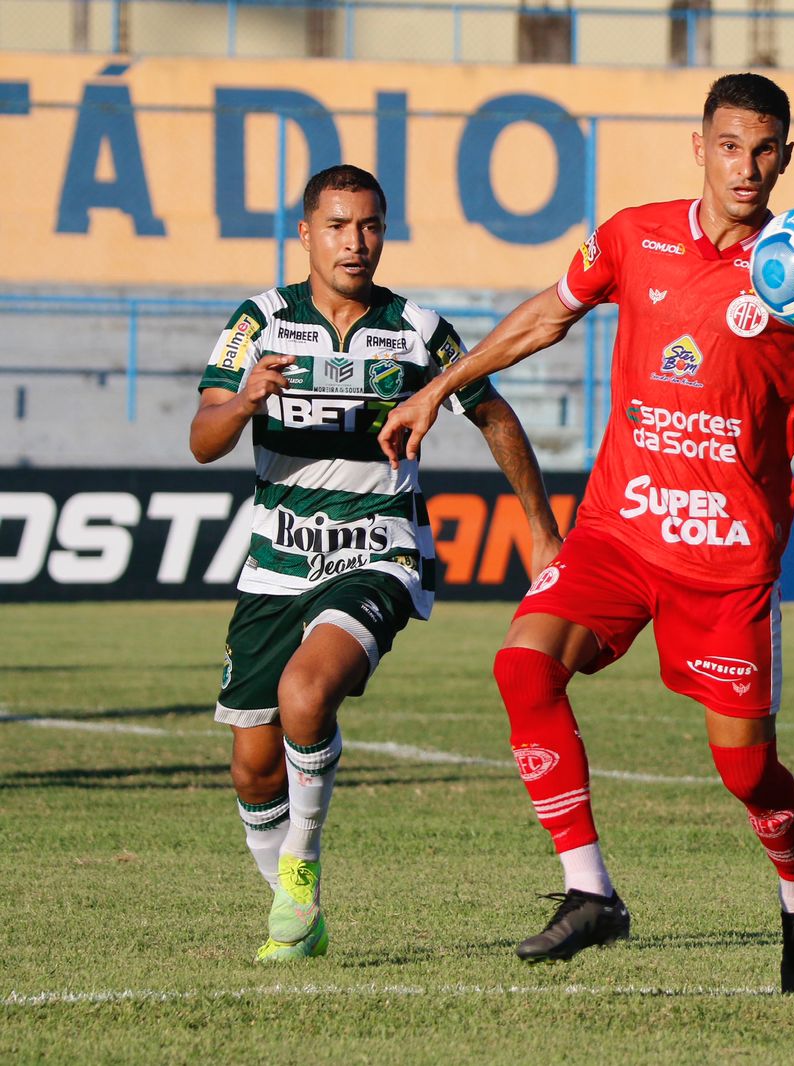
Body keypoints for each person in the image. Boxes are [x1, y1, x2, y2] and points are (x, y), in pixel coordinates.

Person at [377, 73, 794, 992]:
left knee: (748, 774)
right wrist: (437, 387)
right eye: (730, 146)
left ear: (786, 157)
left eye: (766, 150)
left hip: (728, 565)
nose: (747, 167)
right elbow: (545, 316)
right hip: (618, 532)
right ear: (700, 145)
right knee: (522, 666)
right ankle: (589, 890)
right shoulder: (632, 236)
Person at [190, 164, 560, 962]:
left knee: (306, 692)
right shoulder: (259, 321)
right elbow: (202, 440)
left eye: (369, 226)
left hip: (378, 549)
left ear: (383, 232)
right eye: (337, 225)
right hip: (275, 565)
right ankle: (300, 911)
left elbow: (493, 413)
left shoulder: (419, 329)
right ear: (305, 232)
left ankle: (302, 873)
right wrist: (246, 400)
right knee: (254, 772)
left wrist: (540, 527)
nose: (355, 243)